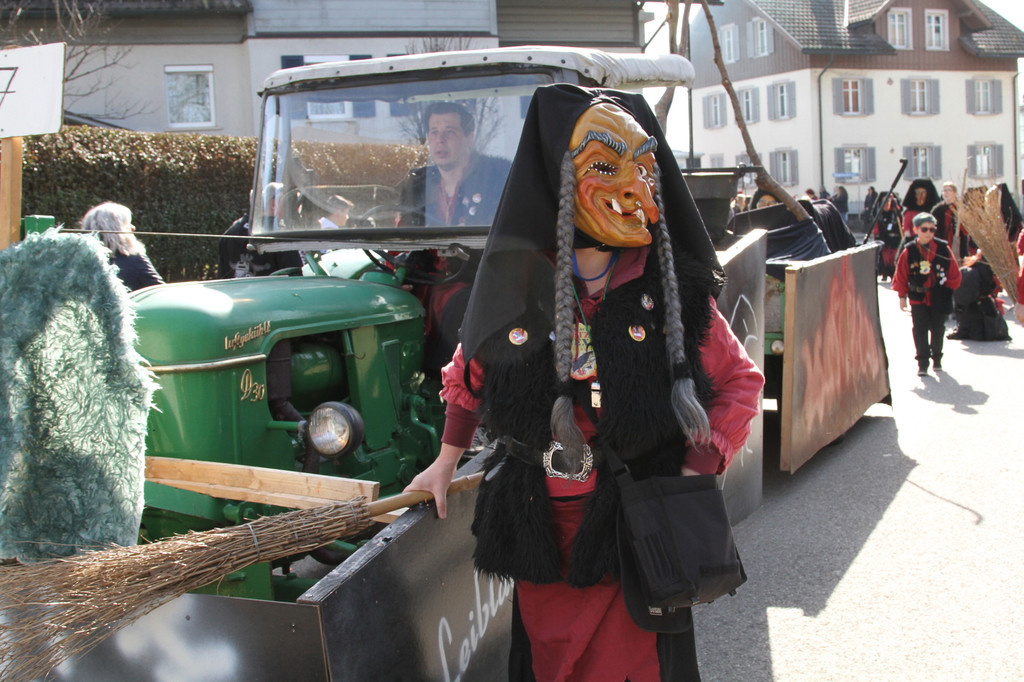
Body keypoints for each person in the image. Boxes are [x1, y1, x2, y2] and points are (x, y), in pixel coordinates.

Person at [405, 85, 764, 681]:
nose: (633, 187)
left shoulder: (673, 292)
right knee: (554, 667)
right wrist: (444, 461)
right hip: (543, 530)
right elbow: (468, 373)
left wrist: (695, 470)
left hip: (637, 530)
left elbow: (740, 383)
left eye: (643, 168)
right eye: (604, 166)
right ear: (560, 178)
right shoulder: (519, 286)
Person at [399, 101, 511, 227]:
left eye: (449, 132)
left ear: (469, 139)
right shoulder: (416, 188)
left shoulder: (498, 183)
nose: (440, 140)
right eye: (434, 132)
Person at [892, 212, 962, 375]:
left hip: (939, 296)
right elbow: (901, 275)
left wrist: (947, 290)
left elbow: (954, 273)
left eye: (932, 229)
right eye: (924, 229)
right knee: (919, 330)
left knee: (938, 328)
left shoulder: (943, 248)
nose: (929, 233)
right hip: (918, 297)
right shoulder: (909, 251)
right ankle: (922, 363)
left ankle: (937, 359)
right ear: (916, 229)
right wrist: (902, 296)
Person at [218, 184, 302, 278]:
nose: (292, 206)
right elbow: (296, 277)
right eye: (286, 201)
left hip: (237, 287)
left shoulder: (230, 233)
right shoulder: (281, 235)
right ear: (273, 204)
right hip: (272, 287)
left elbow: (222, 277)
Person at [81, 201, 164, 291]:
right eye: (127, 224)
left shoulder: (78, 260)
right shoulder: (135, 260)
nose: (133, 228)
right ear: (117, 228)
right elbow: (159, 292)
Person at [947, 252, 1011, 341]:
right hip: (980, 304)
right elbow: (988, 288)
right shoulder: (986, 269)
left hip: (966, 306)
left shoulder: (972, 265)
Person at [870, 192, 903, 281]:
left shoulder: (895, 211)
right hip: (883, 237)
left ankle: (893, 273)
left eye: (889, 200)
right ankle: (884, 273)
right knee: (884, 256)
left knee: (894, 256)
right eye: (885, 200)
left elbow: (900, 223)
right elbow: (876, 225)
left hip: (895, 238)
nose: (887, 203)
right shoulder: (879, 212)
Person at [930, 182, 966, 258]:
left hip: (959, 243)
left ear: (955, 193)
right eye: (944, 190)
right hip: (942, 242)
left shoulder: (961, 208)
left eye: (949, 190)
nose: (946, 193)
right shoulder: (937, 210)